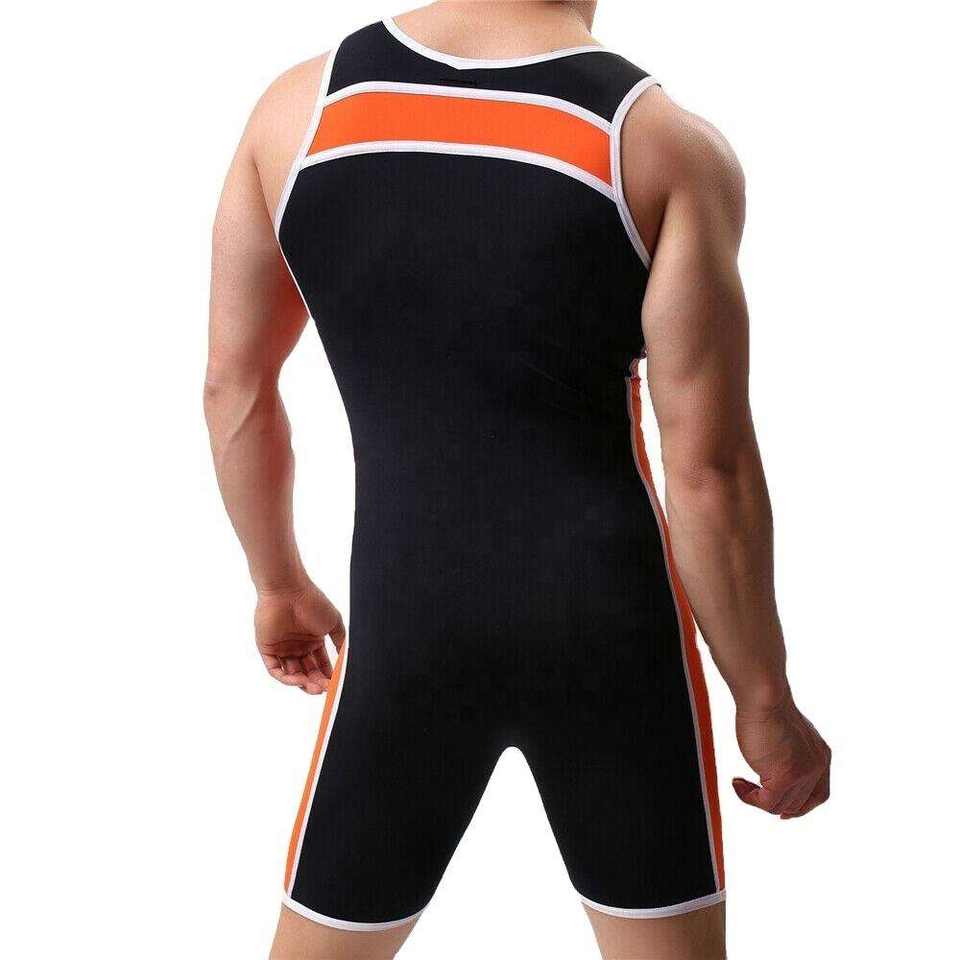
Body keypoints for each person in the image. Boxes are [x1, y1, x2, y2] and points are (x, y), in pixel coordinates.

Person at [205, 2, 831, 957]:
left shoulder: (302, 110)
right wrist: (764, 696)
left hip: (406, 624)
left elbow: (236, 387)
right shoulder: (657, 143)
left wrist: (278, 584)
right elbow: (708, 471)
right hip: (608, 629)